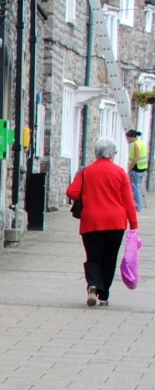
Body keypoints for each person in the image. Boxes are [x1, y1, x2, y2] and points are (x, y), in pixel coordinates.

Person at [66, 137, 139, 306]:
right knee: (109, 258)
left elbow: (72, 192)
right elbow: (129, 200)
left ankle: (92, 284)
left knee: (93, 256)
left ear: (96, 153)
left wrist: (87, 197)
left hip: (91, 222)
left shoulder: (86, 172)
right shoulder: (120, 172)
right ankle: (104, 294)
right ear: (112, 154)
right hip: (116, 222)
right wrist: (133, 225)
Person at [126, 129, 148, 211]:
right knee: (137, 186)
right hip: (143, 168)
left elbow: (136, 158)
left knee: (135, 188)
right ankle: (138, 205)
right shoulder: (142, 143)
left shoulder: (136, 144)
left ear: (131, 137)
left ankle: (138, 206)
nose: (127, 139)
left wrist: (130, 167)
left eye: (128, 137)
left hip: (136, 168)